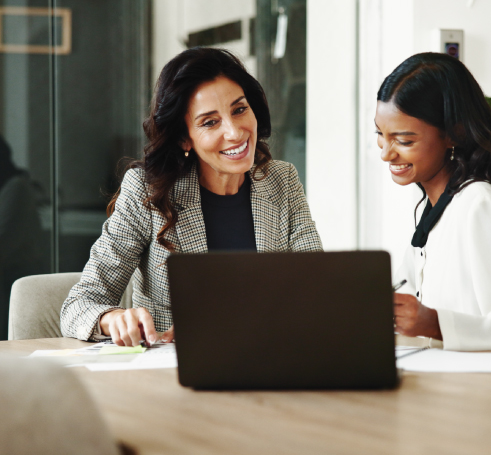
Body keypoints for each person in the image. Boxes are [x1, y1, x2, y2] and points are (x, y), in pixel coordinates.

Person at [61, 48, 322, 346]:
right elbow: (79, 305)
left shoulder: (281, 180)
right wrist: (114, 319)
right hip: (174, 378)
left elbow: (315, 292)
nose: (235, 133)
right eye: (210, 122)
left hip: (267, 367)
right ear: (184, 138)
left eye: (239, 110)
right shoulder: (147, 191)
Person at [375, 52, 491, 354]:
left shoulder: (481, 208)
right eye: (381, 135)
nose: (386, 153)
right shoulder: (434, 211)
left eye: (404, 141)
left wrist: (434, 323)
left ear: (453, 134)